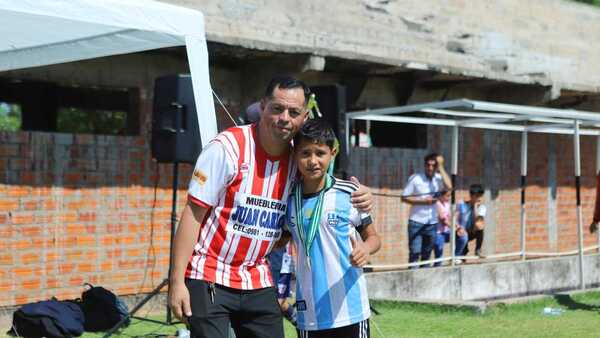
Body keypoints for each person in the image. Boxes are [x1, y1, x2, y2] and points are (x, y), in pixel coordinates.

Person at [168, 75, 373, 338]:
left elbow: (324, 187)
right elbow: (192, 215)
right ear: (263, 106)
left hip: (256, 275)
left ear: (304, 116)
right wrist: (176, 282)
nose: (284, 118)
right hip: (210, 272)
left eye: (293, 112)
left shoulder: (298, 161)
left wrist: (362, 194)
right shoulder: (227, 148)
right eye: (277, 108)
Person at [283, 119, 381, 338]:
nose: (313, 161)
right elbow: (280, 240)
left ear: (333, 153)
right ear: (294, 155)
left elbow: (374, 237)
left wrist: (365, 249)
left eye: (320, 153)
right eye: (305, 153)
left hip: (350, 307)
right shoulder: (289, 199)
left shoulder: (350, 194)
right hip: (309, 311)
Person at [401, 153, 452, 268]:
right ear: (424, 165)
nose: (430, 168)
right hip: (416, 222)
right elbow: (404, 197)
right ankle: (412, 281)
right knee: (415, 253)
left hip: (432, 223)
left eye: (433, 165)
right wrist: (422, 201)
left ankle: (424, 282)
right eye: (428, 165)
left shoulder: (438, 179)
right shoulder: (416, 178)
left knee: (427, 255)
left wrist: (441, 167)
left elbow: (449, 187)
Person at [268, 242, 297, 326]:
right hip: (270, 264)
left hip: (282, 266)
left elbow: (293, 237)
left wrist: (295, 263)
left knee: (278, 302)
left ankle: (298, 321)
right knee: (276, 302)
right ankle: (297, 320)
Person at [455, 184, 487, 259]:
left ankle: (478, 249)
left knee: (480, 226)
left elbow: (478, 221)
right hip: (461, 231)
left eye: (481, 196)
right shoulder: (462, 204)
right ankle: (462, 253)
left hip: (472, 231)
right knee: (463, 254)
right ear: (471, 196)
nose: (479, 198)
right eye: (477, 196)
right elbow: (455, 218)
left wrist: (475, 207)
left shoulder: (482, 207)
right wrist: (458, 227)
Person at [433, 190, 451, 267]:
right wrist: (455, 228)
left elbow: (450, 217)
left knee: (461, 237)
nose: (449, 198)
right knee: (439, 251)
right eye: (447, 196)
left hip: (446, 231)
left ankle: (456, 257)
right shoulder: (437, 203)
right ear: (441, 196)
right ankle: (437, 266)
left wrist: (457, 227)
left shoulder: (447, 204)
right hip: (438, 232)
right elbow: (443, 220)